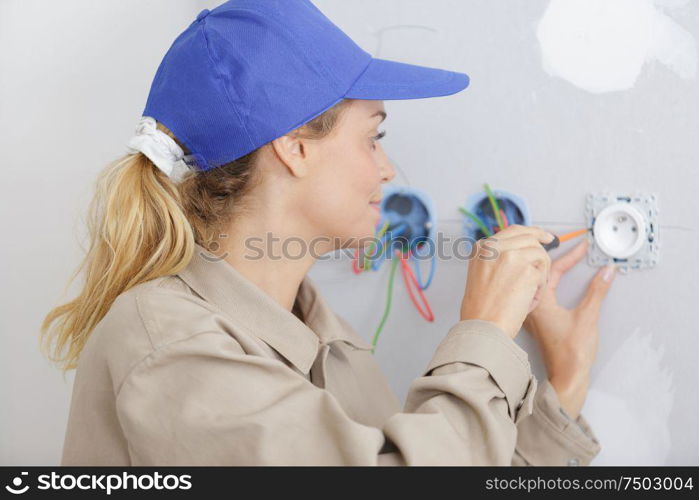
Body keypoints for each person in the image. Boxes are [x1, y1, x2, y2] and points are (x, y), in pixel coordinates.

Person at [41, 0, 616, 465]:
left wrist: (564, 383)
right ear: (292, 146)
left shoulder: (320, 332)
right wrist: (485, 333)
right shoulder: (171, 348)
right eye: (374, 138)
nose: (388, 171)